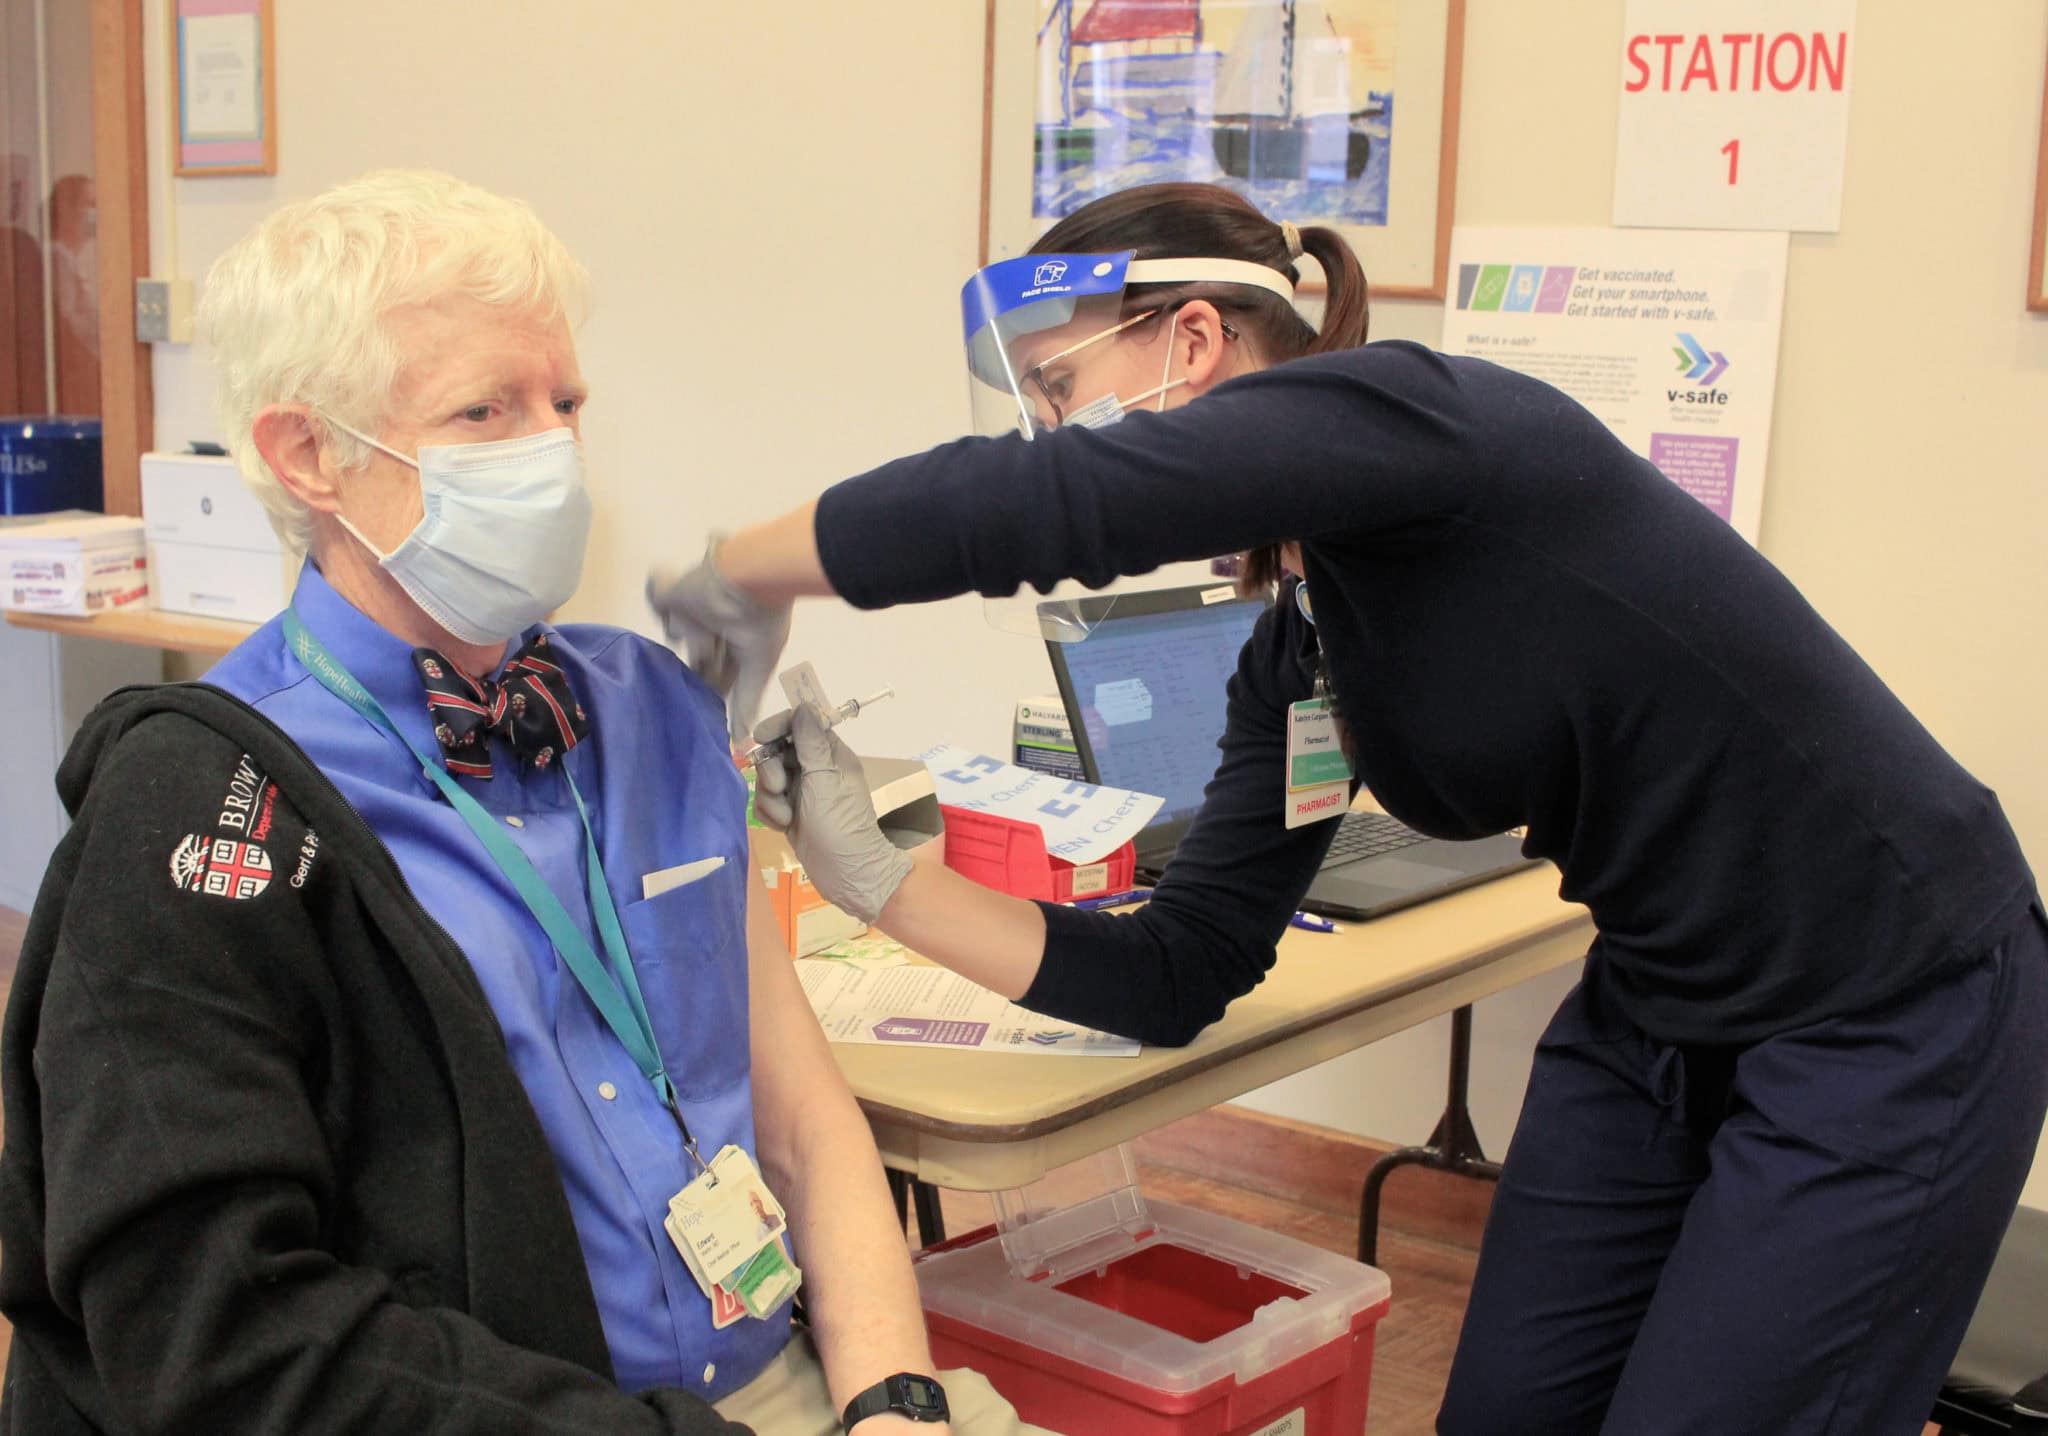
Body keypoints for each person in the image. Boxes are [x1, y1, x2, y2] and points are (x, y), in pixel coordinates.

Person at [649, 181, 2048, 1435]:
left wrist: (740, 569)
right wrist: (883, 882)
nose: (1045, 433)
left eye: (1054, 387)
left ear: (1193, 341)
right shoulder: (1310, 639)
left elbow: (1050, 506)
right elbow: (1183, 969)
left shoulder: (1440, 422)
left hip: (1889, 1008)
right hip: (1660, 1010)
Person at [0, 170, 1042, 1436]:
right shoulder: (206, 806)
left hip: (777, 1382)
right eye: (484, 411)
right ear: (306, 453)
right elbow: (223, 1339)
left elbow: (802, 1116)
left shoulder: (648, 706)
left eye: (565, 403)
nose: (549, 452)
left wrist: (894, 1397)